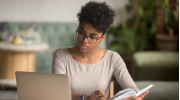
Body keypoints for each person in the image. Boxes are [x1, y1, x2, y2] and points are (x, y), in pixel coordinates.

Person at [52, 1, 148, 100]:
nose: (85, 40)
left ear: (102, 38)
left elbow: (132, 89)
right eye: (81, 33)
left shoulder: (112, 58)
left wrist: (136, 97)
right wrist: (85, 98)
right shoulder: (61, 55)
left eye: (92, 37)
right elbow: (58, 93)